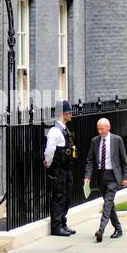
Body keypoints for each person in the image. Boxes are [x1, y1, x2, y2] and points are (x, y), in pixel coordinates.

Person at [84, 118, 127, 242]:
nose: (100, 131)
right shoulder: (95, 141)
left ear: (108, 127)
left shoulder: (117, 140)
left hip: (114, 177)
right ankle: (118, 229)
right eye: (98, 129)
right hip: (101, 176)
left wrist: (125, 177)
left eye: (102, 129)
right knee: (110, 205)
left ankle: (101, 230)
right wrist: (87, 177)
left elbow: (124, 160)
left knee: (107, 203)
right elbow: (90, 160)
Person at [43, 100, 77, 237]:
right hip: (59, 170)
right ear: (63, 114)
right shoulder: (55, 131)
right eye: (69, 112)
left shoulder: (64, 129)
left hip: (66, 169)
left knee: (66, 196)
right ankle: (56, 227)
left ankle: (63, 223)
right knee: (58, 197)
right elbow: (49, 150)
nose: (71, 114)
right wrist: (48, 163)